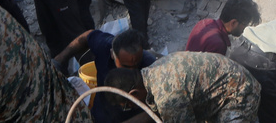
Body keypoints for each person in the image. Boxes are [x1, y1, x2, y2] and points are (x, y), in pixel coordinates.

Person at [106, 51, 260, 123]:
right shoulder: (152, 72)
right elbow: (154, 114)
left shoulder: (168, 96)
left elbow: (167, 110)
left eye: (127, 106)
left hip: (239, 92)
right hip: (225, 84)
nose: (131, 108)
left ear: (133, 94)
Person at [53, 28, 157, 123]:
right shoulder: (104, 47)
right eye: (125, 66)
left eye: (137, 65)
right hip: (99, 115)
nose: (131, 71)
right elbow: (88, 36)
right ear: (112, 54)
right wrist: (59, 60)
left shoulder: (153, 69)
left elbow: (158, 110)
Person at [185, 0, 260, 54]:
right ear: (233, 23)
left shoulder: (205, 22)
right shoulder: (218, 45)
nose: (244, 29)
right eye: (244, 25)